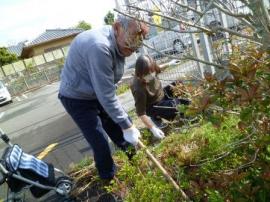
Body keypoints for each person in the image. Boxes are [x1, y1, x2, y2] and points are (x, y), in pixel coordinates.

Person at [58, 16, 149, 180]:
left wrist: (125, 125)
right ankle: (108, 178)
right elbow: (106, 95)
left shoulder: (121, 39)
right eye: (128, 46)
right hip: (77, 98)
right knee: (100, 141)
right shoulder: (99, 46)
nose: (130, 51)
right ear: (117, 27)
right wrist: (128, 126)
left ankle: (139, 164)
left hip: (96, 91)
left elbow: (106, 90)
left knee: (119, 127)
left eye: (134, 49)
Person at [131, 55, 190, 138]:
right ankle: (156, 116)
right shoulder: (138, 89)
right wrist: (152, 128)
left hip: (161, 94)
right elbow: (141, 113)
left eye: (153, 72)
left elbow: (158, 68)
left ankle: (184, 114)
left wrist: (170, 64)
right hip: (153, 106)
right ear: (141, 74)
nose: (152, 75)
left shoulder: (151, 72)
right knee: (175, 104)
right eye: (149, 74)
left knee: (178, 85)